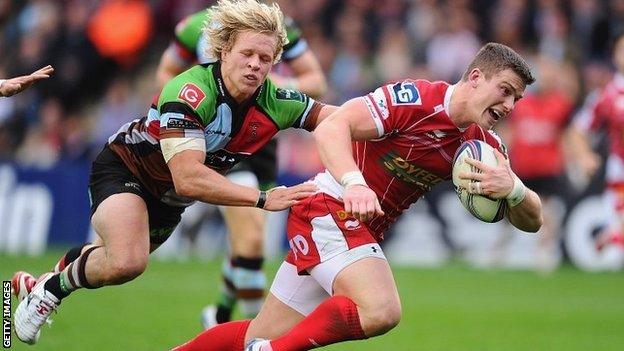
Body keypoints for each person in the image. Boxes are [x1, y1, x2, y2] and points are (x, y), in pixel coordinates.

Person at [173, 42, 543, 351]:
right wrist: (354, 182)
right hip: (329, 209)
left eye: (517, 98)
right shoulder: (414, 99)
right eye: (505, 90)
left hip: (355, 229)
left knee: (260, 331)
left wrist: (514, 190)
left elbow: (532, 220)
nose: (510, 105)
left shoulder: (485, 146)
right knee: (382, 309)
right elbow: (334, 125)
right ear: (476, 78)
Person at [12, 0, 336, 345]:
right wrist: (261, 198)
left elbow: (338, 119)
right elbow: (189, 177)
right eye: (247, 54)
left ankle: (42, 284)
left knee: (109, 257)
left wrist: (389, 120)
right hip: (128, 167)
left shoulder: (276, 100)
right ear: (224, 51)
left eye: (266, 59)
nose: (256, 65)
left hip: (171, 198)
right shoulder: (192, 90)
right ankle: (52, 290)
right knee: (127, 261)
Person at [155, 2, 327, 328]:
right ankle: (256, 332)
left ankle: (220, 315)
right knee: (250, 239)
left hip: (262, 137)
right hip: (217, 140)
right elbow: (165, 74)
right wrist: (187, 112)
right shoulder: (195, 27)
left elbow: (315, 81)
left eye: (264, 56)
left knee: (249, 239)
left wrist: (273, 87)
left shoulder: (281, 28)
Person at [568, 32, 624, 252]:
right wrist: (583, 156)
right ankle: (613, 235)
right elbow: (578, 129)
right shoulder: (607, 95)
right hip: (620, 173)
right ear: (615, 56)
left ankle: (612, 235)